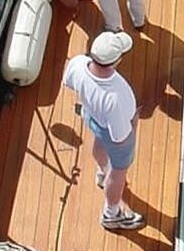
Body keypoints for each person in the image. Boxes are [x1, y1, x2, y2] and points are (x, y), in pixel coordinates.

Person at [61, 30, 146, 230]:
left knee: (99, 143)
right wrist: (132, 128)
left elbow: (69, 83)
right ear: (115, 61)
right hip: (115, 133)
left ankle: (102, 172)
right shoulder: (115, 96)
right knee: (118, 172)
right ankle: (111, 213)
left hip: (92, 117)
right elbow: (120, 137)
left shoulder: (78, 63)